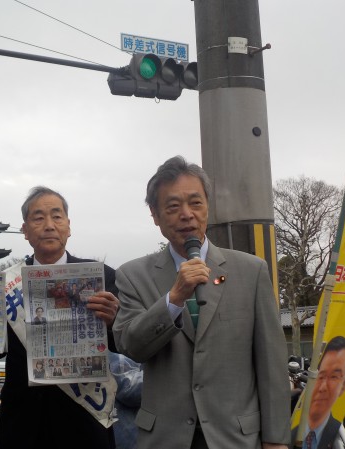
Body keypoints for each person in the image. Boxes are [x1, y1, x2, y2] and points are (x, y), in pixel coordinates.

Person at [113, 156, 291, 449]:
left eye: (195, 203)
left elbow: (270, 364)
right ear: (155, 215)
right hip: (164, 438)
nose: (187, 214)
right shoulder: (132, 276)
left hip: (235, 438)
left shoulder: (251, 270)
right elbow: (131, 345)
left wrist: (276, 439)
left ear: (208, 206)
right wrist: (174, 298)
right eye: (172, 206)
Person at [0, 186, 119, 449]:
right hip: (24, 421)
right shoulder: (2, 285)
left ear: (69, 226)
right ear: (25, 231)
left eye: (57, 216)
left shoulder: (103, 277)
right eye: (38, 218)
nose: (49, 225)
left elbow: (124, 343)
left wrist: (113, 321)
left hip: (85, 418)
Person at [293, 335, 345, 449]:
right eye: (320, 376)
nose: (322, 387)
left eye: (334, 377)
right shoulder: (290, 434)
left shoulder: (336, 433)